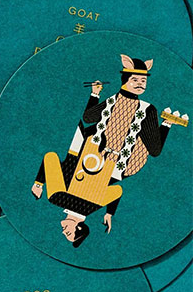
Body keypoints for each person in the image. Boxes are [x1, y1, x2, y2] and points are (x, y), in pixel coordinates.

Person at [31, 55, 184, 247]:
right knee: (152, 150)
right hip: (109, 160)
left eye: (143, 81)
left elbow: (117, 191)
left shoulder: (90, 204)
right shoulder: (57, 197)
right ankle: (167, 124)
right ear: (79, 227)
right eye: (135, 80)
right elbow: (51, 158)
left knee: (151, 150)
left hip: (96, 155)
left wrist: (109, 212)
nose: (140, 84)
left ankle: (167, 124)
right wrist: (39, 184)